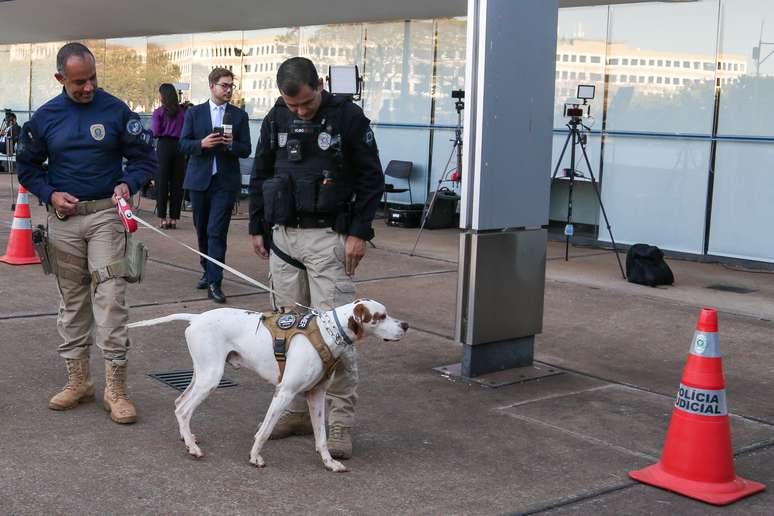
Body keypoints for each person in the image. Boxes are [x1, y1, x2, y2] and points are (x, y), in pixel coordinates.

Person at [248, 57, 384, 460]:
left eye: (306, 104)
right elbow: (260, 173)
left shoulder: (349, 118)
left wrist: (360, 232)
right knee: (288, 331)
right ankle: (296, 411)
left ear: (320, 84)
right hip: (284, 236)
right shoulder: (276, 117)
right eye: (293, 107)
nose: (300, 112)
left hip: (330, 237)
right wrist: (257, 226)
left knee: (337, 336)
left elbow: (371, 179)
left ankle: (339, 420)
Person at [15, 42, 156, 424]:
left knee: (110, 297)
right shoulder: (45, 117)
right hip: (64, 220)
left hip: (106, 215)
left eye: (92, 78)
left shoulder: (115, 110)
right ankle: (79, 381)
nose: (89, 87)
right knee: (72, 301)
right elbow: (26, 167)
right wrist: (49, 193)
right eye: (79, 81)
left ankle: (117, 389)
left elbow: (145, 158)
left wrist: (129, 183)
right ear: (61, 78)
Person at [180, 68, 251, 304]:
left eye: (231, 85)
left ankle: (215, 282)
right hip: (199, 179)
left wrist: (231, 145)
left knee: (216, 231)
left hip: (225, 182)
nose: (229, 89)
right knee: (202, 230)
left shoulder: (239, 116)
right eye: (224, 85)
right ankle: (206, 269)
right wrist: (202, 143)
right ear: (212, 86)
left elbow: (246, 149)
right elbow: (183, 144)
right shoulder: (194, 113)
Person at [151, 83, 187, 229]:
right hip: (180, 146)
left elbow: (155, 132)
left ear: (163, 95)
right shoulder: (183, 112)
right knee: (177, 183)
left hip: (164, 146)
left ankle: (162, 218)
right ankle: (174, 218)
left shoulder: (158, 112)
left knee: (162, 182)